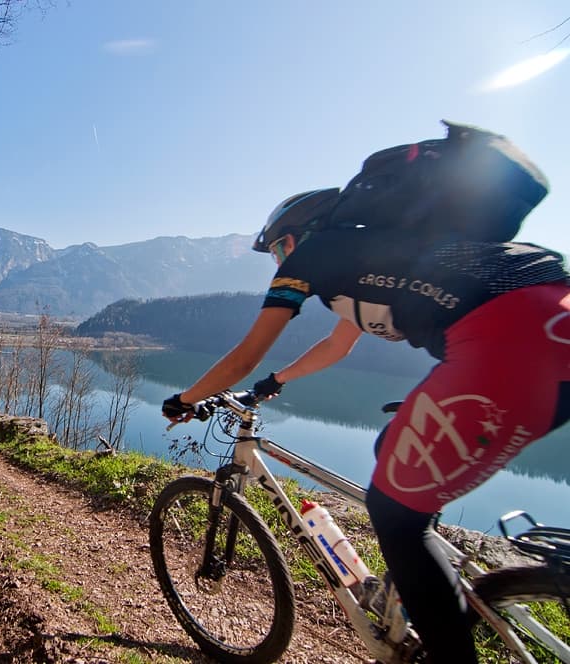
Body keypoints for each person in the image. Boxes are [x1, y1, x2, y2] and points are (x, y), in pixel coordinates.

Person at [162, 188, 570, 663]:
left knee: (394, 512)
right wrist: (276, 380)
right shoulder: (369, 261)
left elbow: (245, 356)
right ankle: (410, 586)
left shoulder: (313, 256)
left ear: (298, 238)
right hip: (549, 334)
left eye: (276, 249)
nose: (276, 261)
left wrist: (183, 399)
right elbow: (338, 346)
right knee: (391, 453)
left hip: (510, 350)